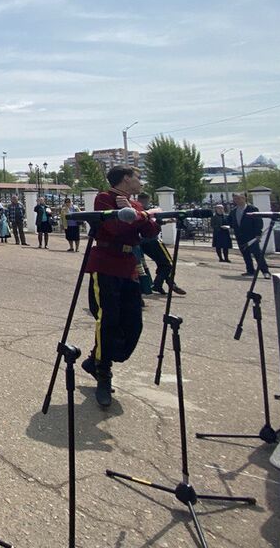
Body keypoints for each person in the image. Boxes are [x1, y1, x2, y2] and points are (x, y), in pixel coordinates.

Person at [82, 166, 159, 408]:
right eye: (137, 177)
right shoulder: (104, 198)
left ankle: (95, 358)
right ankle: (103, 373)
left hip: (128, 266)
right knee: (108, 320)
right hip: (105, 265)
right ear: (126, 178)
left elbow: (151, 231)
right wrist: (142, 215)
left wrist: (138, 214)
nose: (140, 181)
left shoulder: (133, 204)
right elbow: (116, 228)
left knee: (133, 322)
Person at [135, 193, 185, 295]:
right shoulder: (146, 211)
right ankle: (159, 284)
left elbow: (156, 222)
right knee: (168, 263)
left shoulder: (138, 210)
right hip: (153, 241)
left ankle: (166, 283)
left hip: (143, 243)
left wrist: (167, 222)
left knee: (163, 263)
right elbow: (153, 224)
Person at [227, 193, 269, 277]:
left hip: (251, 236)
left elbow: (258, 222)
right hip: (240, 236)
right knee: (245, 254)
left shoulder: (252, 209)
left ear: (244, 198)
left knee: (257, 254)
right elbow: (230, 221)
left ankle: (265, 272)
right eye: (235, 199)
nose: (237, 201)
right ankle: (250, 270)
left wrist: (258, 234)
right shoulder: (234, 211)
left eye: (239, 198)